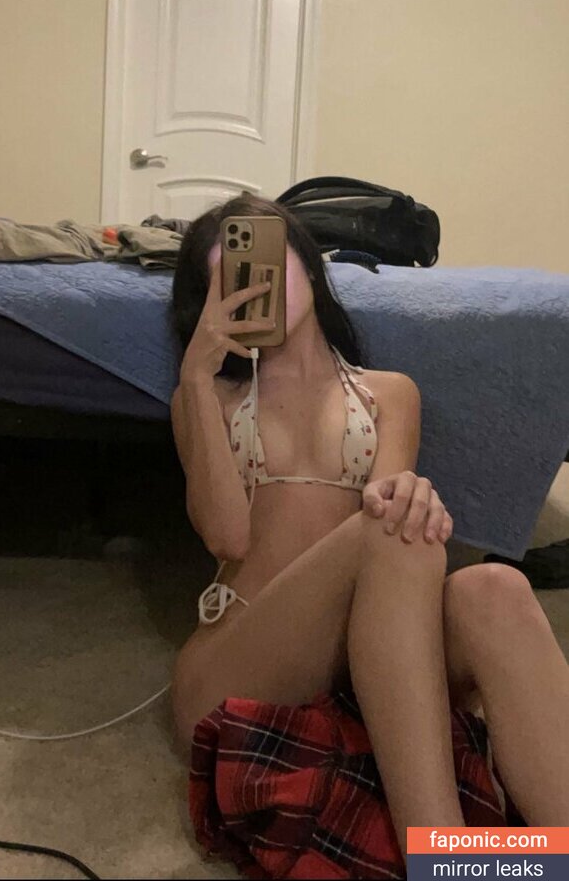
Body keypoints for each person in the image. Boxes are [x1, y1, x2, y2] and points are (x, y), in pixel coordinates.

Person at [169, 192, 569, 859]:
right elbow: (226, 537)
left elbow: (392, 547)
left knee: (491, 585)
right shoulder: (208, 397)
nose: (257, 285)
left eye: (271, 262)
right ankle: (442, 855)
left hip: (362, 661)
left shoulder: (388, 393)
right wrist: (196, 373)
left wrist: (414, 500)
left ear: (308, 266)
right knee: (389, 522)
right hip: (241, 663)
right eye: (231, 277)